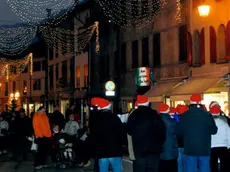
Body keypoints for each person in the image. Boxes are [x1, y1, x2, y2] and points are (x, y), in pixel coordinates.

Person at [176, 94, 218, 172]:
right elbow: (214, 131)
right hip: (204, 149)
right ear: (200, 102)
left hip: (189, 149)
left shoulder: (185, 115)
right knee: (204, 169)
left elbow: (178, 131)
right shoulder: (207, 115)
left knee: (190, 169)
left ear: (190, 102)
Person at [127, 95, 166, 172]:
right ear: (148, 103)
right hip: (154, 150)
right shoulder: (155, 115)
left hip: (139, 150)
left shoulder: (133, 115)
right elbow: (162, 131)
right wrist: (160, 144)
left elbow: (129, 131)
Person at [91, 97, 123, 172]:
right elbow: (121, 132)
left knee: (103, 169)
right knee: (117, 169)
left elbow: (94, 135)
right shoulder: (115, 118)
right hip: (115, 150)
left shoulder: (97, 119)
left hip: (102, 151)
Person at [158, 104, 178, 172]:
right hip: (171, 150)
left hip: (159, 151)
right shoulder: (172, 122)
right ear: (168, 110)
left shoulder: (156, 120)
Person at [210, 105, 230, 172]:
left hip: (212, 147)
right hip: (223, 147)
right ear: (219, 112)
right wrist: (228, 146)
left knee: (213, 167)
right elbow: (229, 135)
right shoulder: (224, 123)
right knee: (224, 166)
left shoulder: (208, 123)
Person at [176, 104, 189, 172]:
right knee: (186, 163)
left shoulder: (176, 119)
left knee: (179, 163)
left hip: (178, 144)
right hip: (186, 144)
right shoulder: (187, 120)